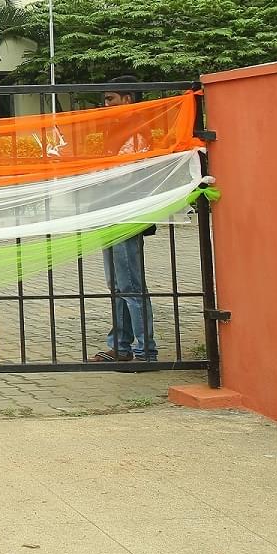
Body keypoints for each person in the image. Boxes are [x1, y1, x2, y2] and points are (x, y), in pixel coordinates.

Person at [92, 77, 157, 363]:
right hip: (112, 213)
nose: (105, 105)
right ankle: (121, 346)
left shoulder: (136, 134)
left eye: (110, 99)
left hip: (128, 216)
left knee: (129, 284)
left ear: (128, 100)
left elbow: (126, 176)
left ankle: (145, 351)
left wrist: (97, 174)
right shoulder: (117, 132)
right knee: (116, 283)